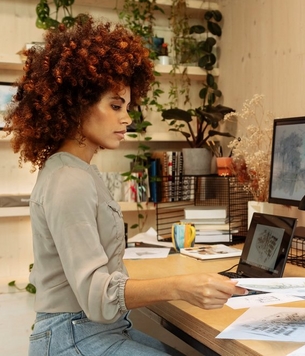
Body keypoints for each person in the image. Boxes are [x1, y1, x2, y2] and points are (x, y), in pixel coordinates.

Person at [4, 17, 247, 356]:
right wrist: (182, 286)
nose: (127, 118)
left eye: (128, 107)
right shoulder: (68, 181)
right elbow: (98, 296)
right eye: (115, 105)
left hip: (93, 330)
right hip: (75, 337)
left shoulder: (77, 172)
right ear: (76, 105)